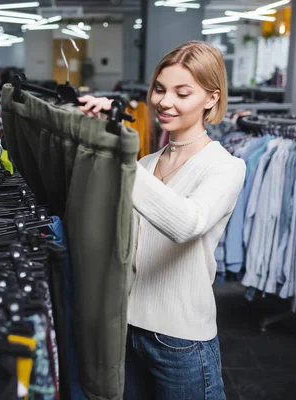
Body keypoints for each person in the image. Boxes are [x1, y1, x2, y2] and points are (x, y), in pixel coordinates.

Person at [78, 41, 246, 399]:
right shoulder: (145, 164)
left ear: (211, 99)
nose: (164, 102)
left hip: (181, 340)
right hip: (126, 329)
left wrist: (118, 147)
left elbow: (187, 223)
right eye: (159, 89)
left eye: (182, 93)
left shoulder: (226, 167)